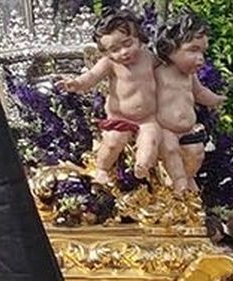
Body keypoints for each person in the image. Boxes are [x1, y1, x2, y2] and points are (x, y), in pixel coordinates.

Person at [60, 11, 161, 182]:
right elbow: (92, 76)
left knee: (149, 141)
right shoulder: (110, 63)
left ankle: (142, 166)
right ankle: (102, 168)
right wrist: (77, 83)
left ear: (139, 37)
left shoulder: (149, 58)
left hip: (147, 118)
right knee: (113, 142)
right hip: (120, 117)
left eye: (128, 44)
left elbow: (166, 72)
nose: (124, 52)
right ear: (105, 52)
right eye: (115, 50)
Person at [152, 13, 226, 191]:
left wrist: (218, 100)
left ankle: (188, 176)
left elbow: (200, 93)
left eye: (203, 52)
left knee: (196, 153)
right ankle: (177, 182)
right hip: (166, 129)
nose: (200, 58)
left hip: (188, 129)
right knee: (171, 152)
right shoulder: (158, 72)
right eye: (193, 50)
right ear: (170, 48)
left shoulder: (189, 76)